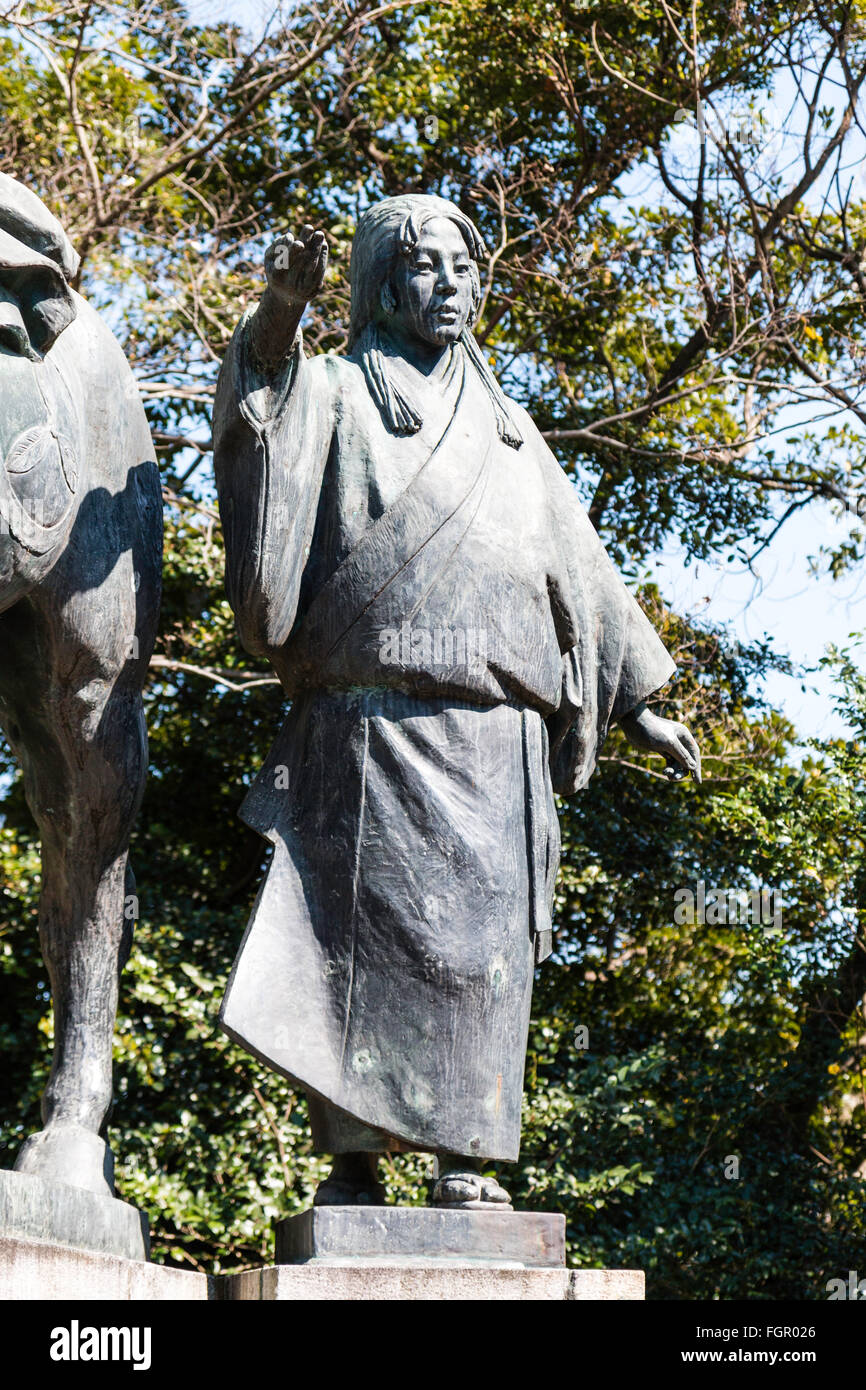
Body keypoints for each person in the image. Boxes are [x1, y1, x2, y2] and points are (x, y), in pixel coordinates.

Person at [213, 194, 700, 1209]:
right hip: (365, 730)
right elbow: (261, 406)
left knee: (479, 961)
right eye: (425, 266)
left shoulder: (509, 431)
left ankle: (465, 1160)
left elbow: (581, 573)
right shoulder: (334, 390)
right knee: (344, 951)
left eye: (464, 267)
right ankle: (351, 1162)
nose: (449, 286)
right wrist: (278, 314)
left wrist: (634, 705)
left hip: (489, 739)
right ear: (381, 283)